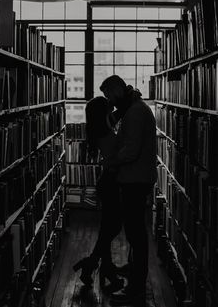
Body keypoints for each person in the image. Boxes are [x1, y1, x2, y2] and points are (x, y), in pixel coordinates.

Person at [100, 75, 157, 307]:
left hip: (135, 179)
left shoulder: (134, 113)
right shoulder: (132, 108)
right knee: (135, 230)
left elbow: (131, 150)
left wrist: (111, 161)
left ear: (117, 91)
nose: (110, 102)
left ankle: (136, 287)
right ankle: (134, 271)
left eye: (109, 97)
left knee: (135, 233)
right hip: (137, 177)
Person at [73, 96, 124, 292]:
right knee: (114, 225)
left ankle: (102, 267)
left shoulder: (98, 126)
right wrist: (129, 98)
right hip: (110, 182)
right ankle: (96, 264)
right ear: (102, 111)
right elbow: (118, 113)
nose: (111, 105)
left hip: (108, 181)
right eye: (107, 104)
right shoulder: (103, 127)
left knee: (107, 227)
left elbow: (115, 114)